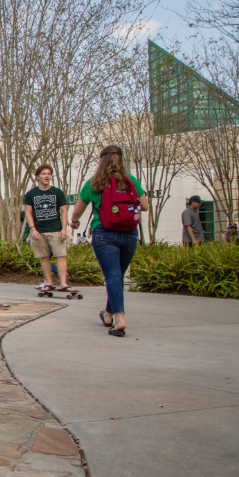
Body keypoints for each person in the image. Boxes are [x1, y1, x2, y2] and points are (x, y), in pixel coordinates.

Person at [70, 145, 148, 338]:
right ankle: (107, 314)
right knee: (117, 276)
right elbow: (145, 205)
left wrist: (74, 221)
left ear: (101, 161)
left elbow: (78, 210)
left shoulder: (94, 183)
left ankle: (119, 319)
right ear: (121, 160)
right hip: (129, 234)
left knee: (112, 276)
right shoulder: (130, 181)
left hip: (104, 233)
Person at [23, 164, 75, 294]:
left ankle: (63, 283)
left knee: (61, 255)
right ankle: (49, 282)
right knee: (44, 257)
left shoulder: (57, 192)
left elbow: (64, 210)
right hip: (39, 230)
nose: (47, 176)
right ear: (37, 176)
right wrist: (33, 229)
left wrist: (64, 228)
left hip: (55, 229)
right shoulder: (31, 194)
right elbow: (28, 213)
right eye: (44, 174)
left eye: (49, 174)